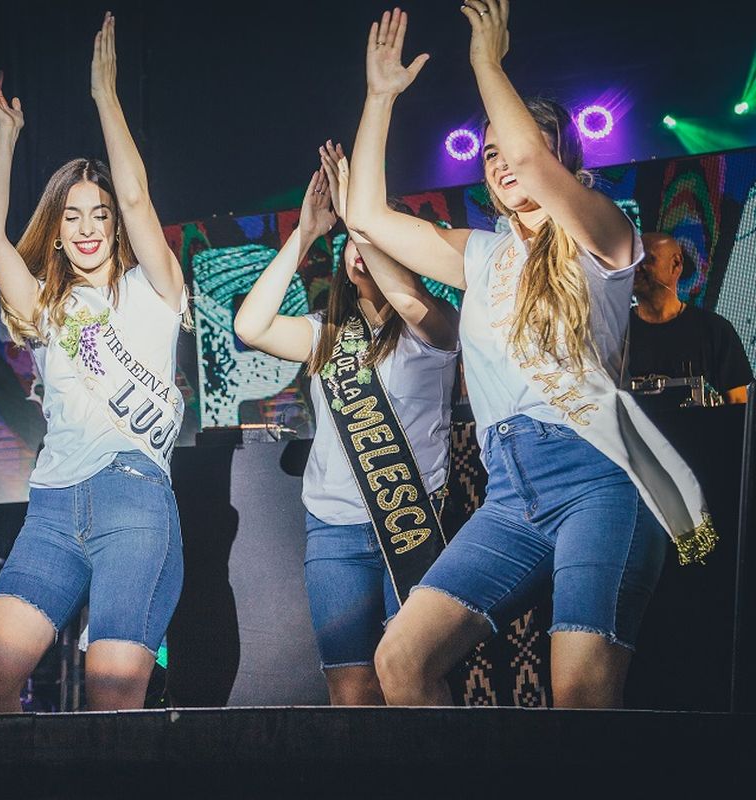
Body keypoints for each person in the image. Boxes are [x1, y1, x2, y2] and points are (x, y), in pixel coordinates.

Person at [345, 3, 713, 708]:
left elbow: (528, 160)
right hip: (511, 491)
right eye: (486, 156)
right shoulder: (480, 254)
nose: (501, 163)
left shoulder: (604, 234)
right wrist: (380, 97)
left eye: (513, 150)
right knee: (402, 660)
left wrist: (487, 63)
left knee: (575, 698)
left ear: (560, 160)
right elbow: (365, 215)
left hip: (603, 480)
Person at [0, 12, 189, 713]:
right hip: (54, 512)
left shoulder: (155, 290)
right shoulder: (48, 308)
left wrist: (105, 97)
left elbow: (134, 191)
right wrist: (7, 136)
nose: (89, 227)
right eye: (71, 216)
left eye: (98, 215)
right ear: (57, 234)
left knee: (110, 702)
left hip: (134, 504)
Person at [234, 143, 458, 706]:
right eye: (354, 242)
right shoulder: (324, 331)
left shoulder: (435, 329)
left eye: (377, 239)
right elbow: (250, 326)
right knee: (350, 691)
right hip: (332, 532)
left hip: (410, 521)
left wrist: (363, 222)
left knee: (414, 677)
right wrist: (306, 233)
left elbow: (412, 306)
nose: (361, 250)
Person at [628, 231, 751, 404]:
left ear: (676, 264)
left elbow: (739, 405)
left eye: (647, 259)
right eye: (632, 260)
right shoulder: (614, 332)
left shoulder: (714, 330)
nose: (636, 268)